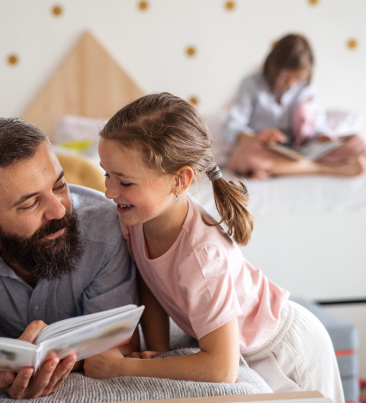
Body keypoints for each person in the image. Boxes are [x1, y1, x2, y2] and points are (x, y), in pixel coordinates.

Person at [83, 93, 344, 403]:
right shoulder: (135, 219)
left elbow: (221, 369)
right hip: (248, 346)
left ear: (179, 181)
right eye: (106, 175)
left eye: (125, 182)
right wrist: (160, 353)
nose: (109, 192)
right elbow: (150, 281)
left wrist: (124, 368)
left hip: (285, 351)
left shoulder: (202, 256)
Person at [0, 117, 138, 399]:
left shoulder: (106, 229)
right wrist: (2, 369)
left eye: (59, 186)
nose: (58, 211)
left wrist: (49, 361)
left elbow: (122, 343)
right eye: (30, 203)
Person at [222, 33, 366, 178]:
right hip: (265, 148)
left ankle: (276, 169)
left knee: (357, 142)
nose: (291, 84)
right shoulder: (251, 84)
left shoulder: (307, 87)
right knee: (245, 154)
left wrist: (324, 137)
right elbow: (230, 127)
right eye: (284, 78)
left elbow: (319, 122)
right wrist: (257, 137)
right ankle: (328, 169)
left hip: (302, 149)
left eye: (297, 78)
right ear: (272, 67)